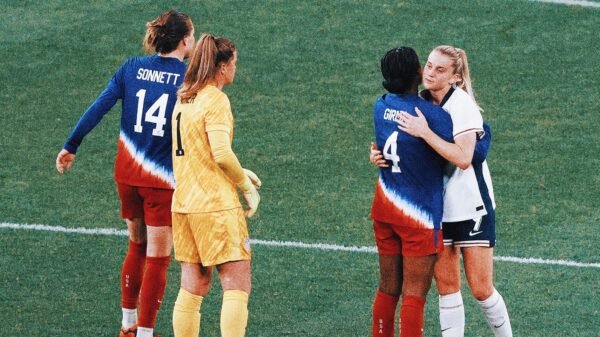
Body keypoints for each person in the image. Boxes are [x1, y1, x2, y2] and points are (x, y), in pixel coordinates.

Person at [55, 10, 195, 337]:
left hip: (127, 176)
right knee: (158, 258)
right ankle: (144, 334)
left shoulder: (131, 68)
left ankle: (127, 325)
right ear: (185, 40)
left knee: (136, 245)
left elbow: (98, 106)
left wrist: (71, 144)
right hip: (162, 181)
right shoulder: (189, 79)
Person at [371, 45, 513, 337]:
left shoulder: (462, 107)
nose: (430, 73)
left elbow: (463, 158)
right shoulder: (423, 102)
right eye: (429, 65)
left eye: (440, 69)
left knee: (481, 289)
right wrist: (379, 153)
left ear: (455, 78)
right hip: (437, 209)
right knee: (447, 289)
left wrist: (424, 132)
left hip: (471, 206)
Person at [169, 33, 260, 337]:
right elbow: (221, 153)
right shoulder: (216, 100)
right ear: (222, 67)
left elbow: (198, 151)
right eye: (234, 62)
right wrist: (244, 185)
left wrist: (240, 169)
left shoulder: (185, 98)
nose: (236, 68)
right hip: (214, 206)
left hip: (183, 204)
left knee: (193, 286)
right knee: (237, 281)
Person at [370, 46, 453, 337]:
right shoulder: (431, 116)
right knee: (415, 294)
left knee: (388, 288)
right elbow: (468, 154)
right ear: (418, 72)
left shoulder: (380, 106)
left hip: (384, 209)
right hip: (418, 216)